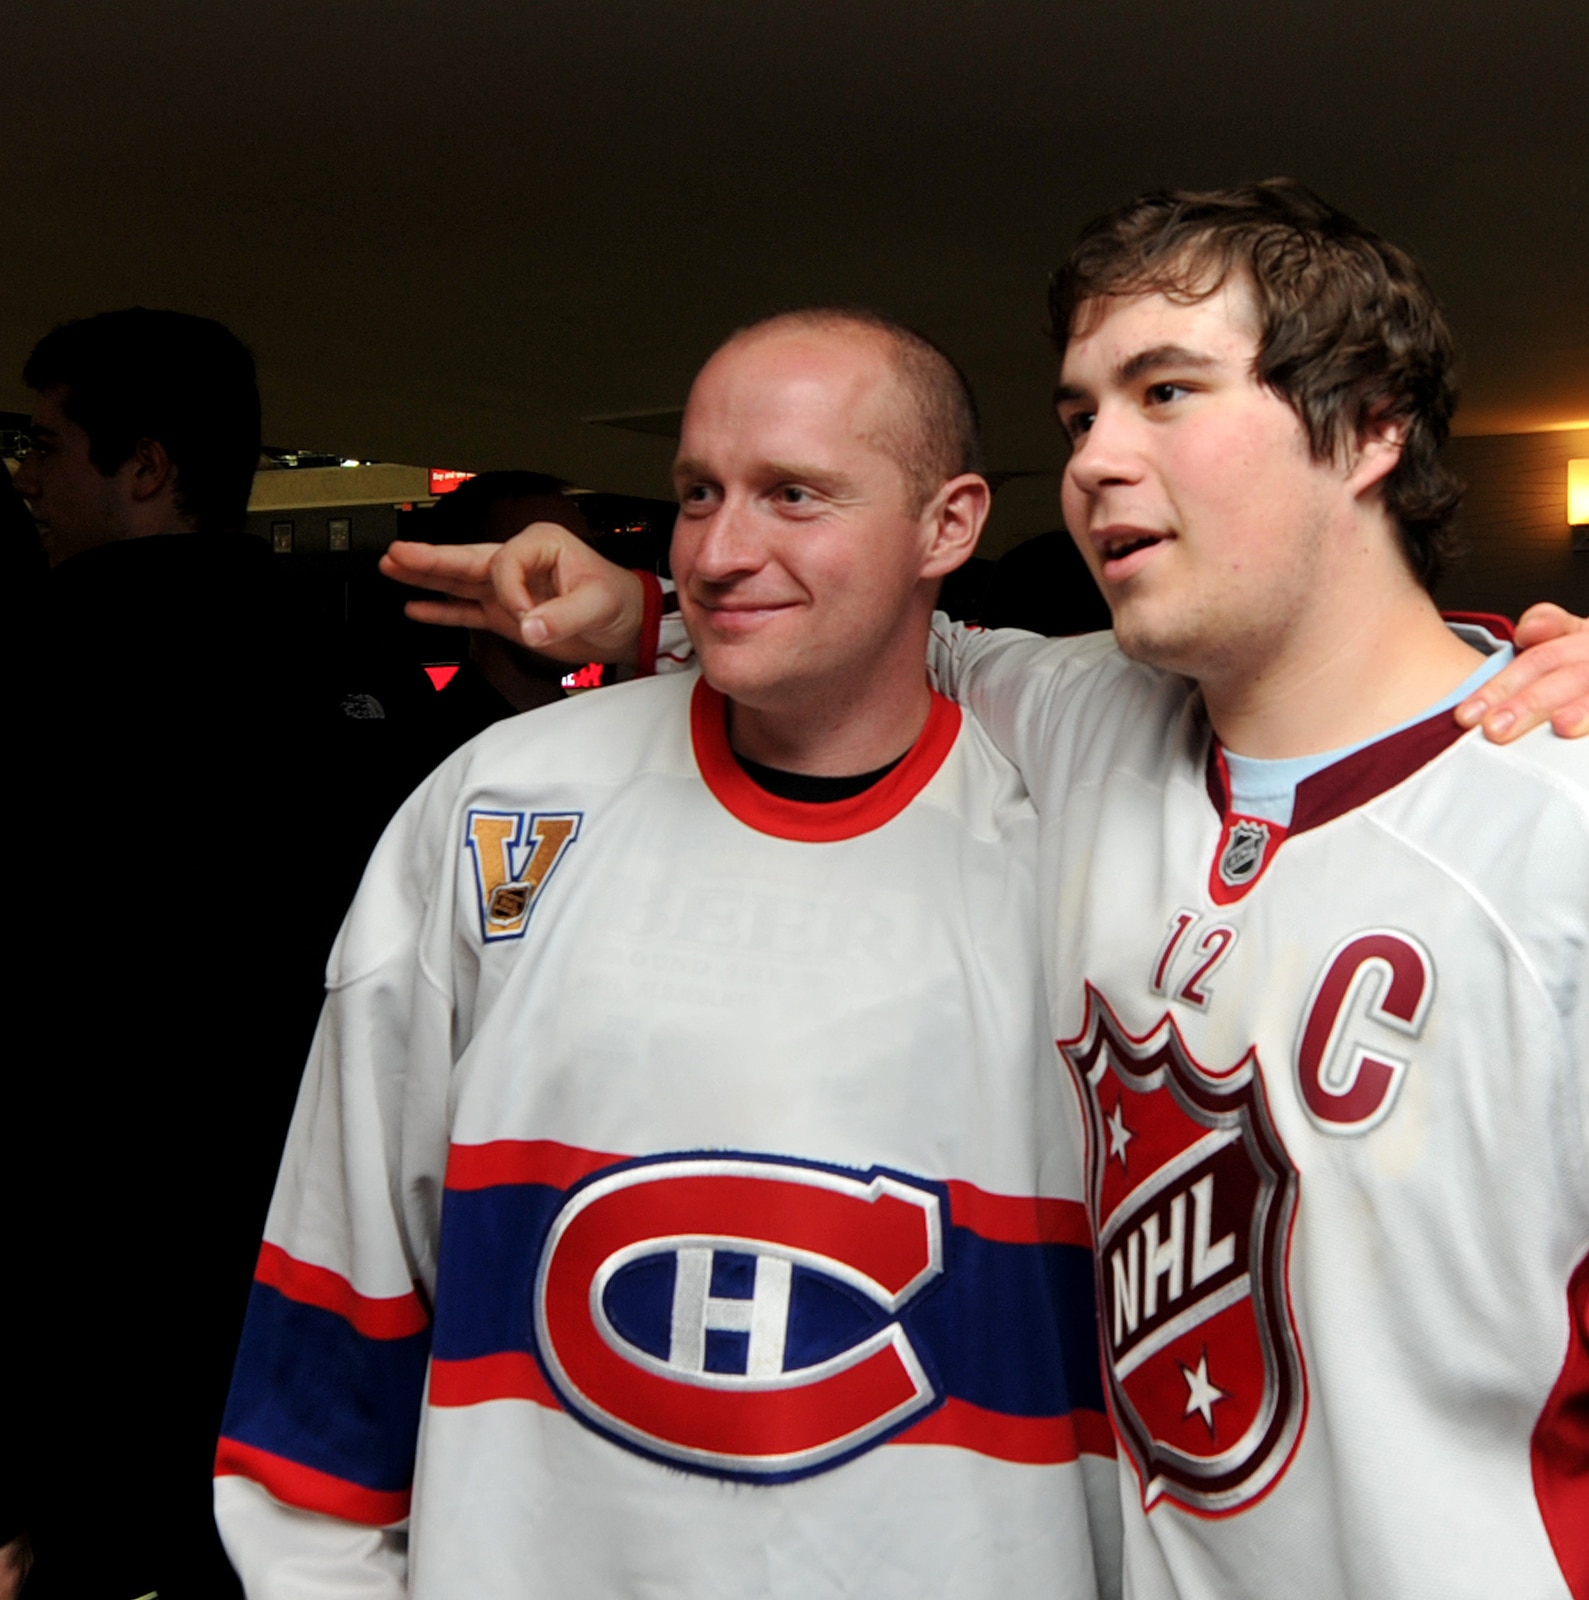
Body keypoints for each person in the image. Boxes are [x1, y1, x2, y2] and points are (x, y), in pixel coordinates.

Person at [432, 183, 1589, 1596]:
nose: (1099, 459)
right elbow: (913, 646)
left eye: (1169, 394)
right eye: (1085, 408)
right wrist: (646, 608)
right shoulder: (1098, 728)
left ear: (1371, 424)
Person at [213, 309, 1120, 1599]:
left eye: (793, 494)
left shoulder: (1085, 842)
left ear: (949, 525)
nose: (720, 550)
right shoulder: (499, 805)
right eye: (698, 493)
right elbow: (342, 1272)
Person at [5, 308, 414, 1599]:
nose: (28, 476)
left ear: (147, 468)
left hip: (91, 1265)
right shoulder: (363, 672)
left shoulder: (45, 667)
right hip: (308, 1255)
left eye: (49, 445)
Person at [413, 471, 597, 755]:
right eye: (542, 564)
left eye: (588, 556)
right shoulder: (431, 757)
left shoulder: (598, 741)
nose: (577, 584)